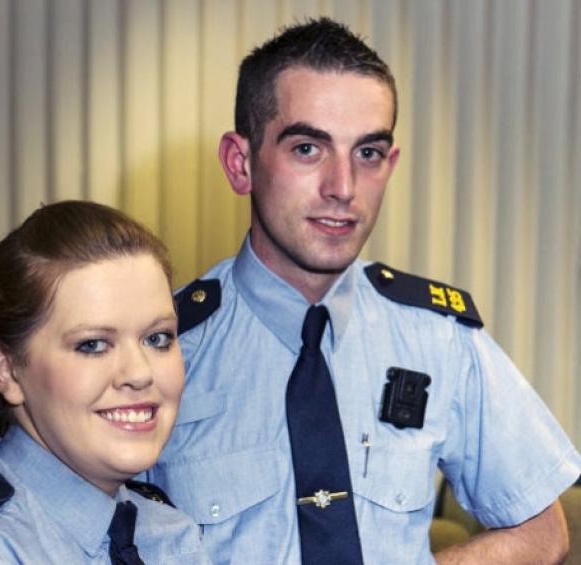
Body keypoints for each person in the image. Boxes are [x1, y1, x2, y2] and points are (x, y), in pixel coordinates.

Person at [145, 17, 581, 565]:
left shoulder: (435, 337)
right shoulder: (160, 350)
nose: (343, 188)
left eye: (368, 154)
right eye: (308, 148)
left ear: (390, 165)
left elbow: (543, 531)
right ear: (241, 163)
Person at [0, 201, 210, 564]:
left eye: (158, 338)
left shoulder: (168, 533)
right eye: (93, 345)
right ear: (6, 369)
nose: (139, 373)